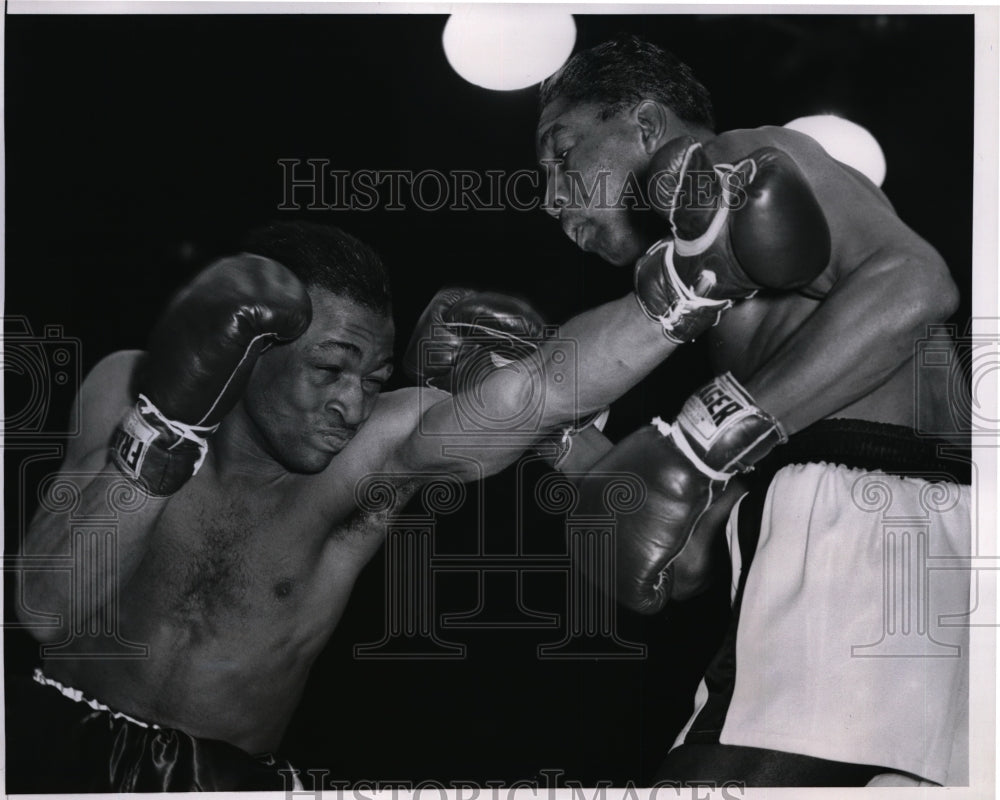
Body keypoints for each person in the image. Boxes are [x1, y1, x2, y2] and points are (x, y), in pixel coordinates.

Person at [10, 219, 703, 792]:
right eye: (329, 370)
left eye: (372, 378)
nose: (351, 405)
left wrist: (693, 282)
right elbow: (44, 608)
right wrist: (165, 432)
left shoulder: (381, 442)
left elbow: (540, 393)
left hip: (226, 778)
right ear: (250, 349)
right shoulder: (129, 385)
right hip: (50, 742)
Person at [534, 35, 970, 787]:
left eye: (563, 154)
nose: (550, 197)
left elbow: (916, 285)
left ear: (645, 125)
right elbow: (692, 503)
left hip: (863, 529)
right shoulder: (710, 274)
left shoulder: (748, 157)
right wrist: (564, 446)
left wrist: (707, 437)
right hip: (906, 535)